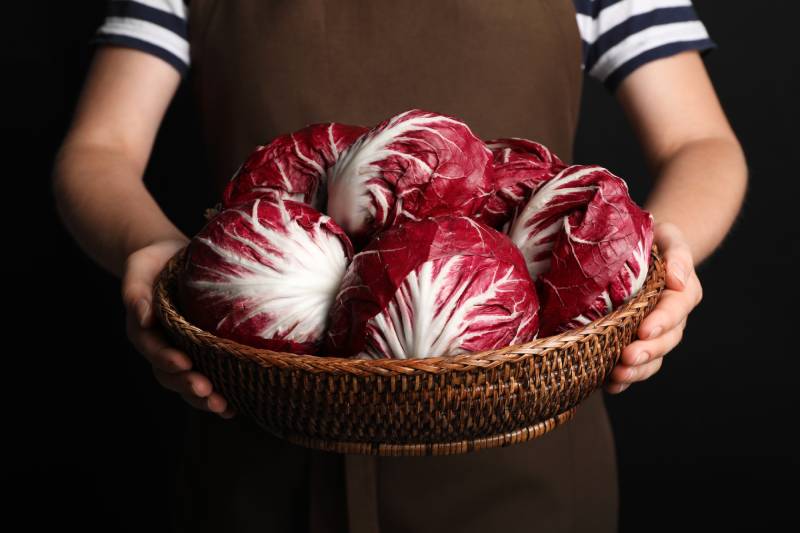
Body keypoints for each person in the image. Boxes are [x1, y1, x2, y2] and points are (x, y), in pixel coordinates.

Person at [52, 1, 747, 531]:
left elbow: (700, 141)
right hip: (257, 434)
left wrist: (652, 250)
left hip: (523, 467)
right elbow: (99, 148)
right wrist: (156, 253)